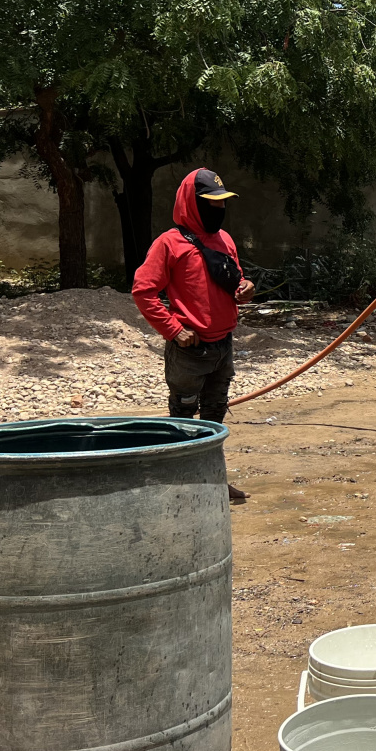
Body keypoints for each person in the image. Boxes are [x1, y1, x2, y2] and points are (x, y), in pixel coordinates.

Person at [133, 168, 255, 501]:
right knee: (184, 418)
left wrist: (244, 289)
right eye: (211, 204)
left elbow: (233, 281)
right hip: (190, 350)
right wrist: (173, 330)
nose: (218, 210)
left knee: (214, 416)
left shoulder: (225, 240)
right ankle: (180, 486)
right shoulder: (168, 244)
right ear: (192, 203)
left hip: (223, 346)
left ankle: (213, 481)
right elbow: (143, 291)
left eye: (222, 204)